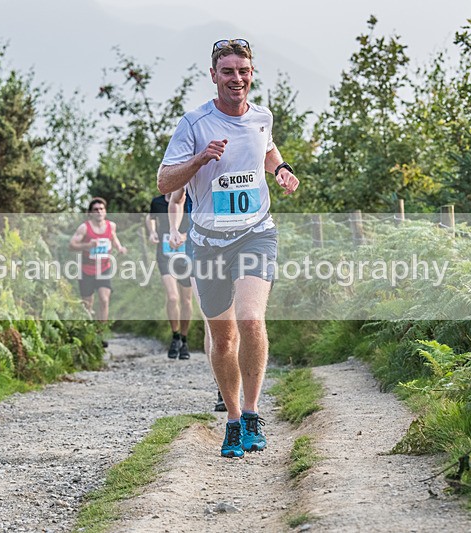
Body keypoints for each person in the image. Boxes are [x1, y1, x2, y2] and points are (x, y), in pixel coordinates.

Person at [158, 39, 299, 458]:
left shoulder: (262, 117)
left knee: (251, 319)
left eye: (243, 71)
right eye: (228, 72)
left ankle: (254, 413)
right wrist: (200, 160)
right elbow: (165, 182)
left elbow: (266, 147)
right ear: (214, 76)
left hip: (256, 232)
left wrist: (282, 169)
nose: (236, 79)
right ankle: (233, 420)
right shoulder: (194, 124)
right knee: (223, 339)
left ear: (251, 73)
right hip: (208, 242)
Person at [169, 188, 226, 412]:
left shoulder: (243, 154)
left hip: (241, 243)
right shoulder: (195, 156)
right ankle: (222, 386)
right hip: (201, 248)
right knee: (212, 321)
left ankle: (238, 381)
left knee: (241, 319)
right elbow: (176, 199)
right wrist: (174, 228)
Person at [69, 197, 127, 347]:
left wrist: (119, 248)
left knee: (104, 299)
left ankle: (101, 334)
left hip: (104, 269)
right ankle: (89, 333)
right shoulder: (84, 228)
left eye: (101, 209)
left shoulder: (111, 226)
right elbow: (72, 244)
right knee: (87, 305)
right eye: (96, 209)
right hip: (87, 270)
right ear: (90, 213)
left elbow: (113, 238)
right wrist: (87, 245)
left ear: (105, 211)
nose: (99, 212)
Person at [146, 193, 194, 360]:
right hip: (165, 254)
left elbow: (198, 222)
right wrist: (152, 233)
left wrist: (185, 236)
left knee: (186, 301)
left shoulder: (191, 199)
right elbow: (150, 218)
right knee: (173, 297)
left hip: (185, 254)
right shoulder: (157, 202)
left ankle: (184, 339)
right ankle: (175, 337)